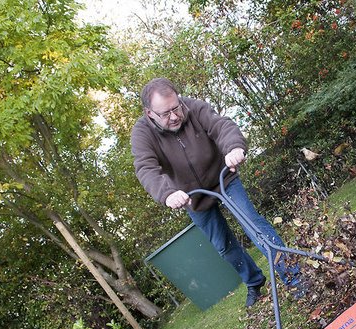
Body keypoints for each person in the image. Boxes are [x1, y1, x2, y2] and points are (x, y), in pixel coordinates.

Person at [131, 78, 305, 308]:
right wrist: (167, 194)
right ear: (150, 113)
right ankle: (254, 281)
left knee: (255, 225)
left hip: (224, 179)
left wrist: (233, 147)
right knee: (224, 245)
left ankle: (295, 278)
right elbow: (146, 168)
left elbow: (221, 125)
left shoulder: (193, 107)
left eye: (176, 107)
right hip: (192, 196)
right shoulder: (143, 133)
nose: (174, 116)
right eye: (165, 113)